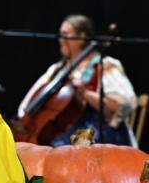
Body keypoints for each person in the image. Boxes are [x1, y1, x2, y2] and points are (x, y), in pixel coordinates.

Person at [16, 14, 139, 147]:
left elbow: (120, 106)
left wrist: (85, 93)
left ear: (81, 37)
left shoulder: (104, 65)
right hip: (60, 135)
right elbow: (28, 103)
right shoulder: (58, 69)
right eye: (60, 35)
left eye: (65, 35)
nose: (61, 40)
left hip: (94, 137)